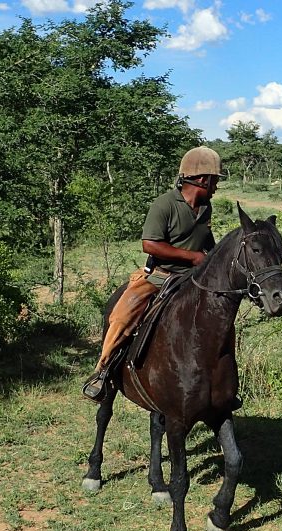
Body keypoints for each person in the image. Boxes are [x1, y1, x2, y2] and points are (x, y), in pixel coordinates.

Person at [82, 146, 221, 402]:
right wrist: (192, 256)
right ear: (202, 180)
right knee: (122, 317)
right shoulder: (165, 204)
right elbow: (150, 244)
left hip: (193, 279)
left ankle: (220, 384)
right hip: (159, 276)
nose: (215, 188)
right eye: (214, 181)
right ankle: (102, 371)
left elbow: (206, 241)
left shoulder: (205, 208)